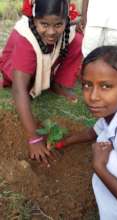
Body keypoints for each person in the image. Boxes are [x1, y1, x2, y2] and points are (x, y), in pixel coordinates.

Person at [0, 0, 83, 166]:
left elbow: (65, 29)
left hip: (43, 61)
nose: (51, 32)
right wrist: (33, 138)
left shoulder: (66, 29)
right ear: (33, 20)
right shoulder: (25, 38)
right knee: (23, 86)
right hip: (16, 68)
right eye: (44, 24)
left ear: (66, 20)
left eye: (58, 24)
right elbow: (18, 90)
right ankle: (32, 82)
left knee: (78, 40)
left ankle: (56, 84)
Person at [55, 46, 117, 219]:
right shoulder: (112, 112)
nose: (93, 96)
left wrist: (100, 167)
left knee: (110, 161)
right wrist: (63, 142)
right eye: (87, 85)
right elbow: (92, 133)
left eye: (106, 86)